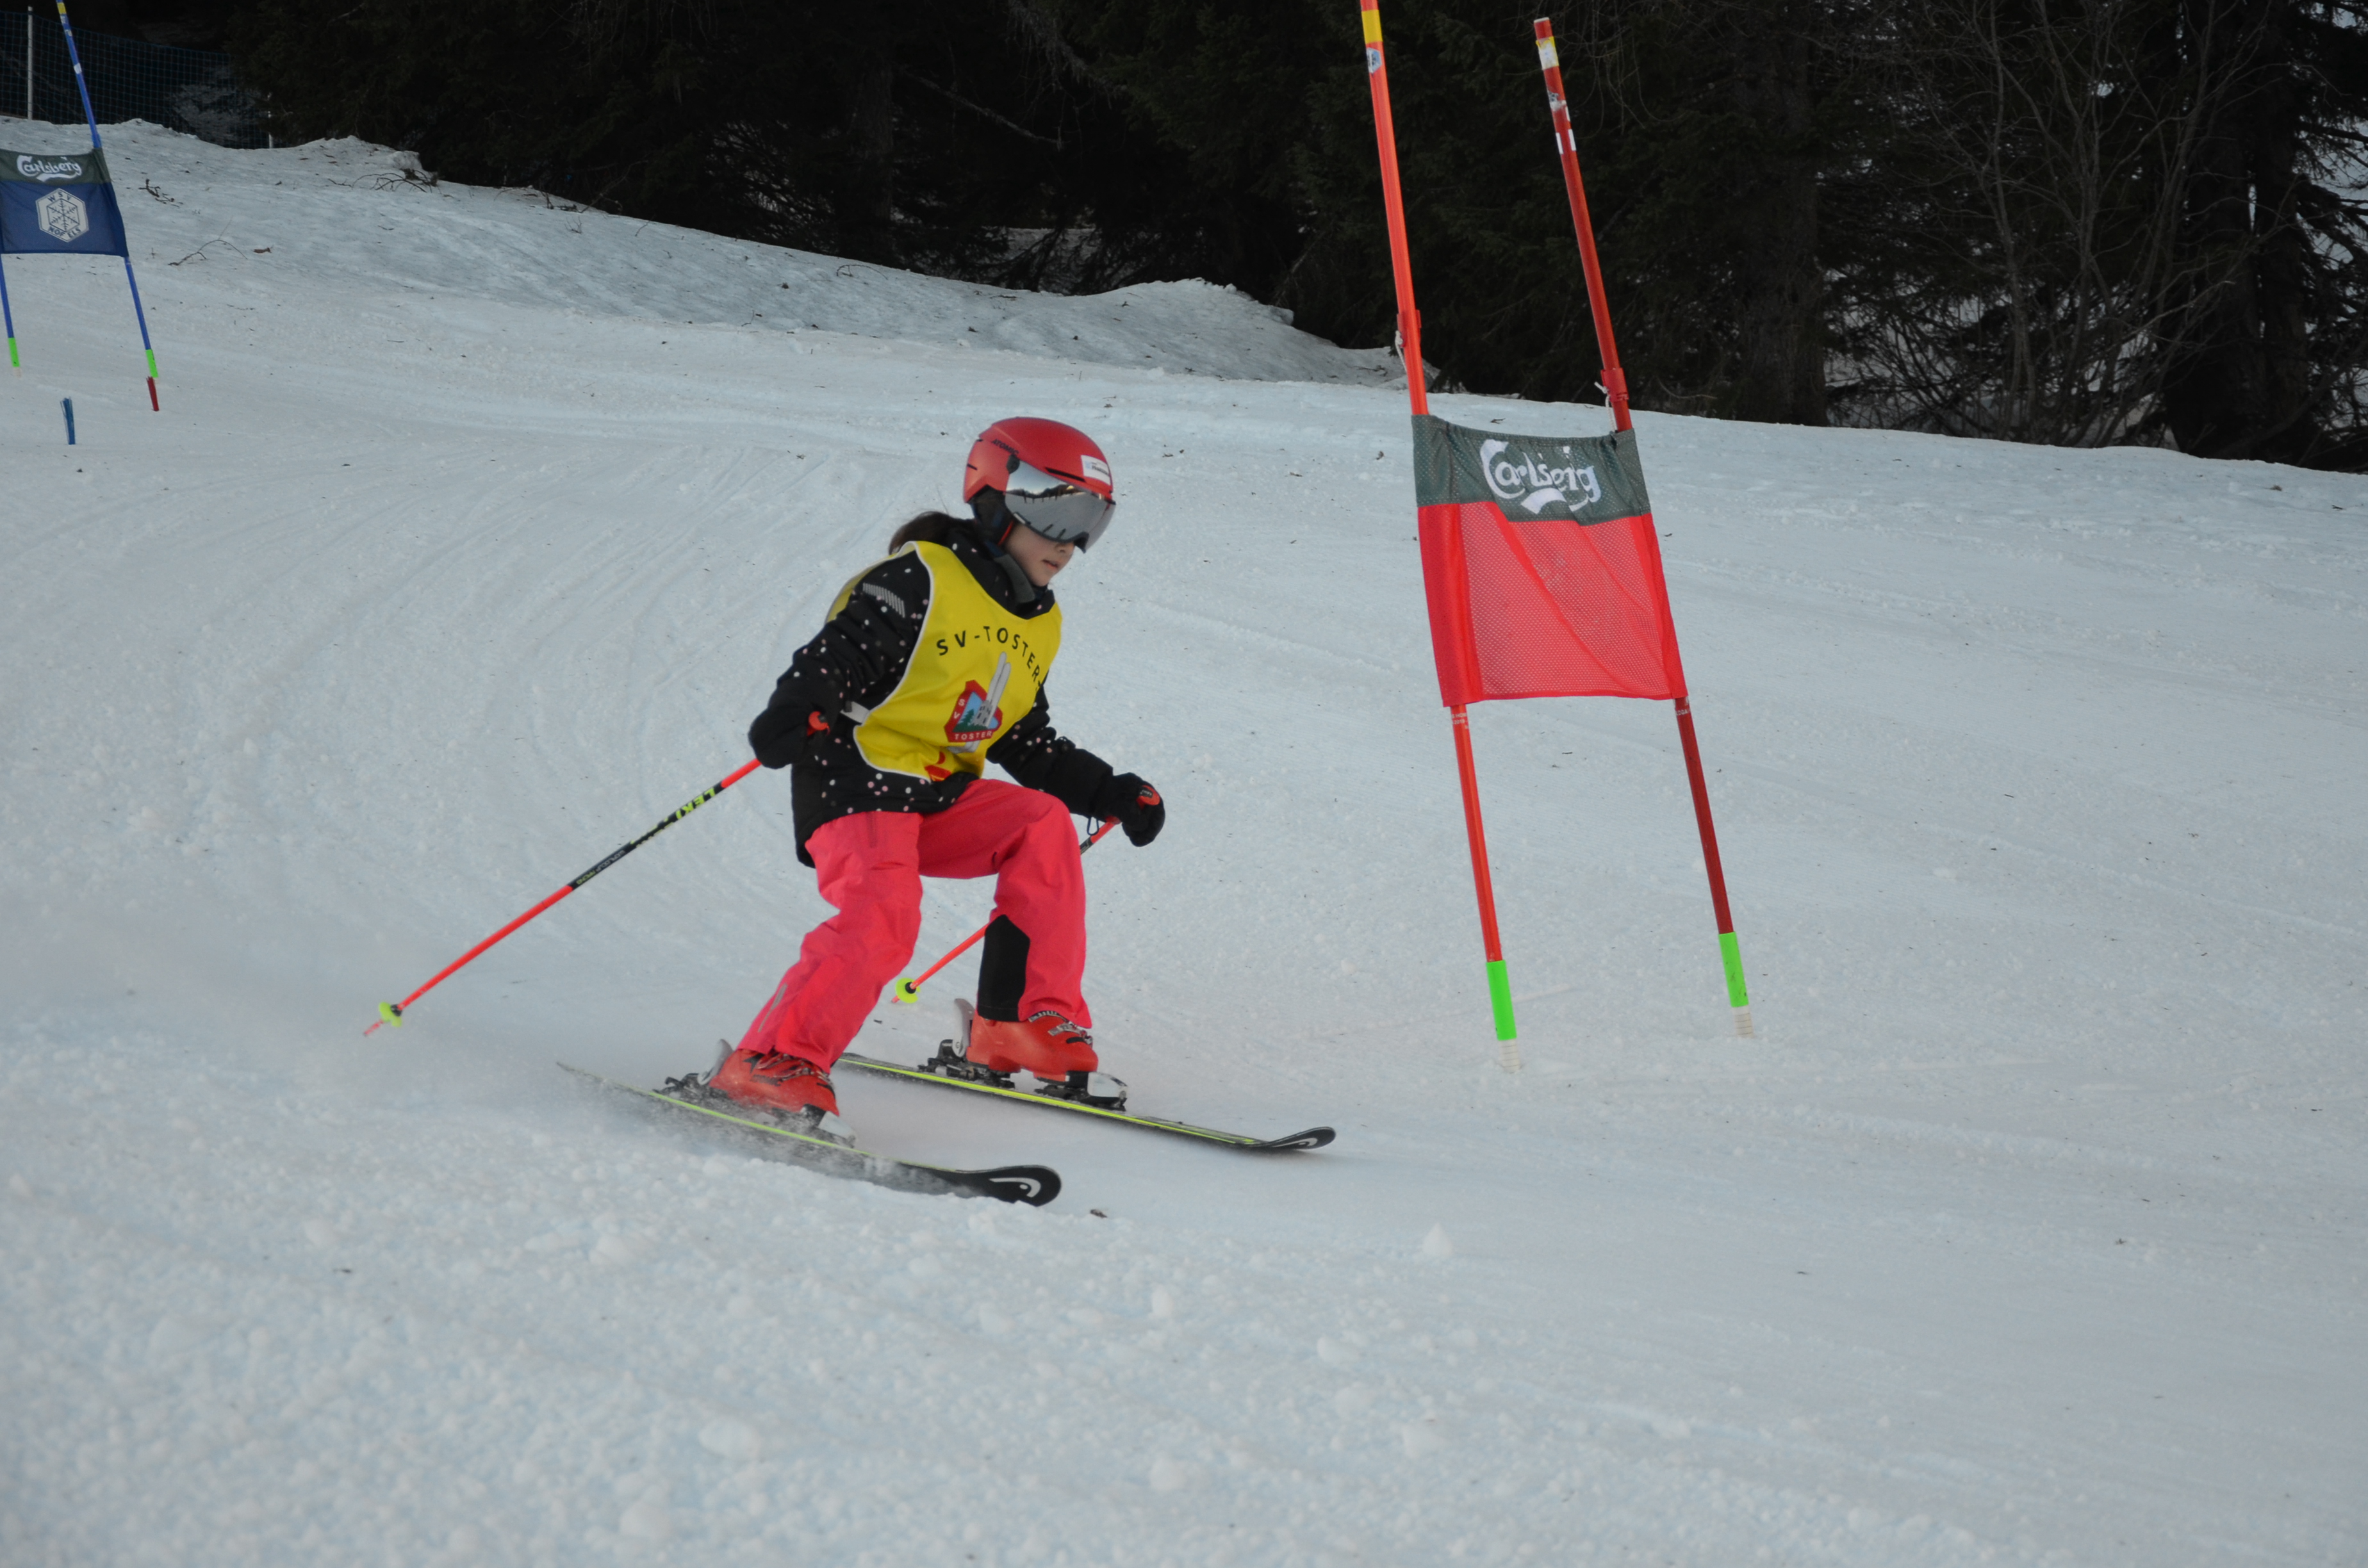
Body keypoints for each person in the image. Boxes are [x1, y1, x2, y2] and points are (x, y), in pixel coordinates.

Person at [710, 417, 1165, 1125]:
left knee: (1041, 824)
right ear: (996, 496)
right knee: (884, 914)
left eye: (1090, 523)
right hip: (857, 778)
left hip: (937, 795)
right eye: (1059, 515)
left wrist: (1107, 791)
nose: (1070, 544)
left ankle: (1014, 1024)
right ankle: (772, 1059)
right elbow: (835, 656)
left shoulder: (1038, 621)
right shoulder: (919, 578)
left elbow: (1025, 739)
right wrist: (796, 709)